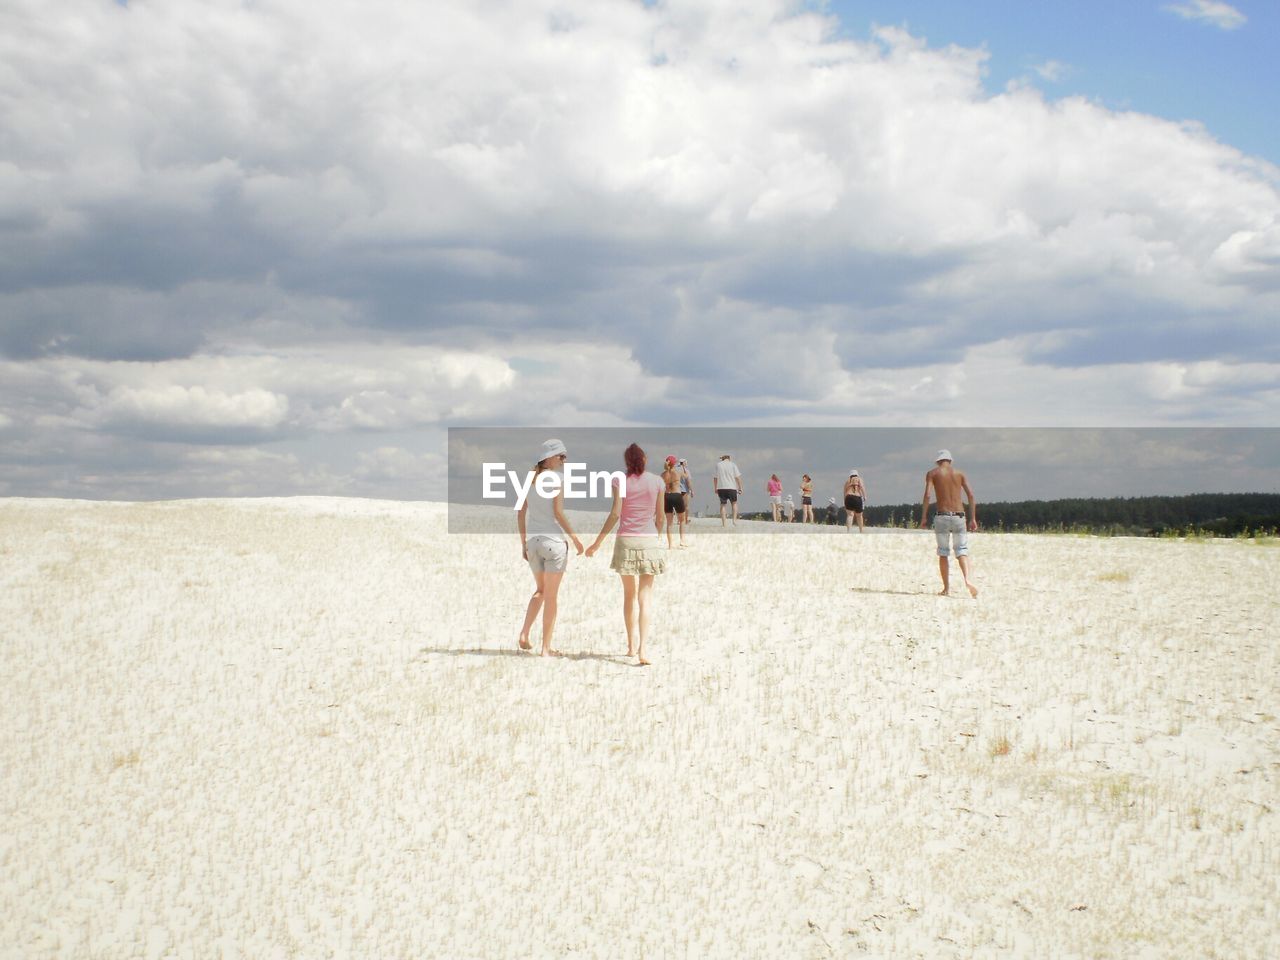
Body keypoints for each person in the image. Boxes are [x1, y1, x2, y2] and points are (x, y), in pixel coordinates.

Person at [586, 443, 667, 664]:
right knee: (645, 598)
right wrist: (655, 537)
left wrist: (597, 543)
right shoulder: (658, 482)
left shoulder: (619, 480)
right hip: (649, 540)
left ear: (627, 461)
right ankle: (643, 650)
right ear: (645, 459)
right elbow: (660, 518)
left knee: (629, 595)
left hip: (626, 540)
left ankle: (631, 646)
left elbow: (615, 514)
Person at [516, 438, 585, 656]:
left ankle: (525, 633)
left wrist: (523, 543)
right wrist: (574, 538)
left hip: (533, 543)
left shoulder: (530, 478)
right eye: (561, 456)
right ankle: (546, 648)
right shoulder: (557, 479)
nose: (564, 460)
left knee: (540, 591)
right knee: (551, 597)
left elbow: (520, 512)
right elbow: (557, 513)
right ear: (549, 457)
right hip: (553, 542)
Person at [920, 449, 978, 598]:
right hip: (959, 516)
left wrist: (924, 517)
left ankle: (946, 588)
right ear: (950, 461)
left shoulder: (932, 474)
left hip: (942, 516)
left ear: (938, 461)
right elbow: (971, 495)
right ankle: (967, 579)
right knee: (961, 550)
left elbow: (927, 495)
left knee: (943, 553)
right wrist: (973, 518)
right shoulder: (960, 474)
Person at [661, 455, 687, 549]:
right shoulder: (678, 472)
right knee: (682, 520)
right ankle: (682, 541)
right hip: (676, 495)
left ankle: (670, 545)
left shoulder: (663, 474)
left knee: (669, 523)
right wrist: (683, 466)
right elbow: (686, 476)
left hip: (667, 496)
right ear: (674, 463)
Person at [713, 454, 743, 527]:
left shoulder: (718, 465)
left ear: (722, 459)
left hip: (721, 487)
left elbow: (715, 478)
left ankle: (724, 523)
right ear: (729, 459)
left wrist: (715, 488)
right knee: (734, 503)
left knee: (723, 505)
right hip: (732, 487)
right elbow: (738, 477)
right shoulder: (733, 465)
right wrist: (740, 487)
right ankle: (734, 520)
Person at [676, 458, 693, 545]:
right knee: (685, 506)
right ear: (684, 463)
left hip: (676, 489)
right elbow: (688, 481)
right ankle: (685, 520)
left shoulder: (674, 469)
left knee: (678, 506)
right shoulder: (686, 470)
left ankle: (679, 520)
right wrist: (692, 490)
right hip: (684, 489)